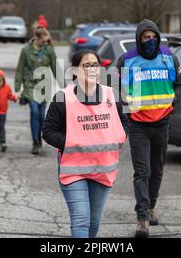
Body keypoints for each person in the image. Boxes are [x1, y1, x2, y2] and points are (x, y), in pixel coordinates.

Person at [42, 49, 130, 238]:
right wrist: (72, 142)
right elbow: (48, 132)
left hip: (103, 168)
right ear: (75, 70)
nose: (92, 69)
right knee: (81, 219)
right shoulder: (62, 98)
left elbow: (124, 122)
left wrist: (119, 137)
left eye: (95, 65)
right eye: (86, 65)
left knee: (93, 221)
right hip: (74, 169)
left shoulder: (111, 95)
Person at [117, 19, 181, 238]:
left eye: (153, 36)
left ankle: (152, 205)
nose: (151, 40)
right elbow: (118, 91)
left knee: (157, 170)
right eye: (146, 37)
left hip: (162, 123)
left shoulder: (169, 58)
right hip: (138, 125)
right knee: (142, 172)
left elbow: (180, 84)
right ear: (139, 39)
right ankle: (142, 218)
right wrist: (125, 119)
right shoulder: (127, 61)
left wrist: (173, 103)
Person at [15, 27, 61, 155]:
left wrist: (65, 87)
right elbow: (20, 69)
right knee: (34, 112)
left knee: (42, 115)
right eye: (43, 41)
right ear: (37, 38)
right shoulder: (25, 50)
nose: (45, 43)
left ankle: (40, 138)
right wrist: (17, 89)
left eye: (47, 41)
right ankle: (35, 141)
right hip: (30, 86)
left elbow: (56, 69)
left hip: (44, 86)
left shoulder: (49, 51)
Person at [0, 68, 17, 152]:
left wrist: (15, 98)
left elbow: (10, 96)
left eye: (0, 83)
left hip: (3, 112)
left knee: (1, 127)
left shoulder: (7, 88)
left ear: (3, 80)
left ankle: (3, 142)